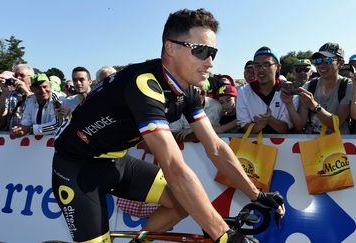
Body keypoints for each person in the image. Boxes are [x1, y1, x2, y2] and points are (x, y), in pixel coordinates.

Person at [52, 8, 284, 243]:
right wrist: (223, 235)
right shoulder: (144, 85)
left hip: (116, 161)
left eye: (213, 52)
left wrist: (256, 194)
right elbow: (174, 167)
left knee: (180, 204)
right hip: (77, 167)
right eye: (201, 51)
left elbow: (215, 147)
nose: (210, 62)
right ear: (170, 48)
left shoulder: (190, 90)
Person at [236, 46, 299, 134]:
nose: (261, 70)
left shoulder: (289, 89)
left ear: (278, 67)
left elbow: (286, 128)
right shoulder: (243, 91)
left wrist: (269, 120)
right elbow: (245, 127)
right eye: (257, 65)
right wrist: (259, 126)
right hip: (254, 146)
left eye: (266, 65)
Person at [297, 42, 353, 134]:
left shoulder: (348, 86)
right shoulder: (309, 86)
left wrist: (314, 106)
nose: (322, 65)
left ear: (341, 63)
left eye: (328, 60)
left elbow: (336, 125)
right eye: (318, 61)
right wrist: (289, 103)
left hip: (339, 145)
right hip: (312, 143)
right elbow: (300, 126)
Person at [0, 65, 33, 131]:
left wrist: (26, 91)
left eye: (22, 75)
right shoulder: (10, 94)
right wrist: (4, 91)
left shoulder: (37, 94)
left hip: (31, 137)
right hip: (11, 137)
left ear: (31, 77)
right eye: (15, 76)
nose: (18, 78)